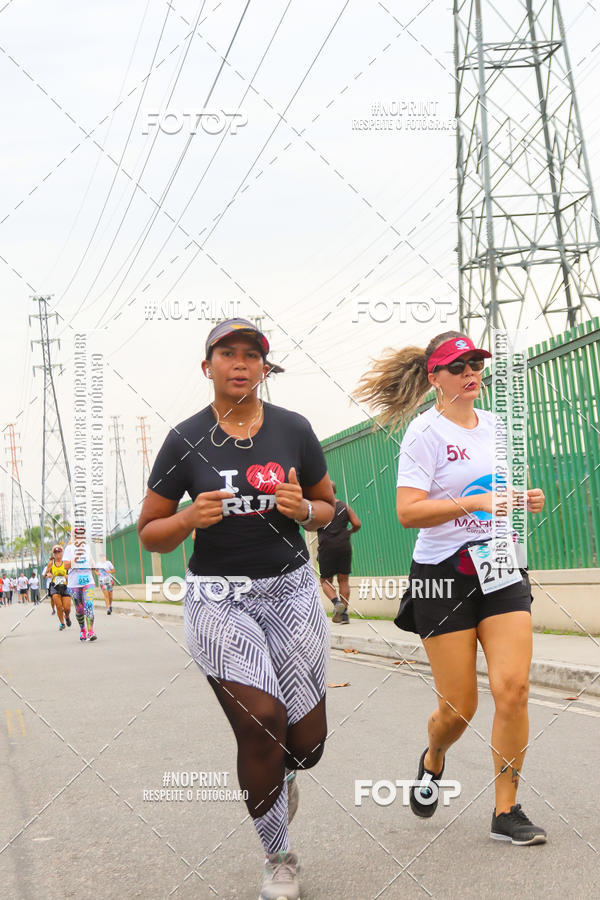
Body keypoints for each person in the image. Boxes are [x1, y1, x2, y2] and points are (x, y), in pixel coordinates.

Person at [138, 318, 335, 900]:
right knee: (262, 723)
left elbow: (329, 508)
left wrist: (304, 512)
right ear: (209, 367)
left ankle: (281, 775)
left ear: (264, 369)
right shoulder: (185, 439)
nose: (240, 363)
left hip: (292, 591)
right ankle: (279, 857)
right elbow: (150, 532)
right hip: (218, 598)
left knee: (307, 745)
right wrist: (185, 520)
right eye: (228, 353)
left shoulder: (294, 429)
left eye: (252, 355)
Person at [355, 330, 547, 846]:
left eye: (477, 365)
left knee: (513, 688)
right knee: (459, 707)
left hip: (500, 567)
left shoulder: (498, 427)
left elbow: (493, 492)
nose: (471, 374)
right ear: (434, 377)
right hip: (443, 575)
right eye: (459, 367)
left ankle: (506, 810)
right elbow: (407, 512)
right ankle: (434, 756)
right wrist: (476, 505)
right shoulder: (424, 433)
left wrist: (519, 499)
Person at [316, 481, 361, 624]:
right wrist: (349, 532)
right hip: (344, 545)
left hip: (326, 547)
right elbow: (357, 524)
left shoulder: (321, 509)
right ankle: (345, 614)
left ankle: (336, 604)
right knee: (343, 580)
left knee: (325, 581)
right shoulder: (344, 507)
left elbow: (310, 526)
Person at [63, 531, 98, 641]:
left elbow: (91, 560)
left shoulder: (87, 547)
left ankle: (90, 632)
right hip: (74, 584)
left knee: (89, 605)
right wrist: (76, 557)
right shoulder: (69, 549)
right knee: (79, 610)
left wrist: (96, 569)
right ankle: (82, 629)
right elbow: (66, 566)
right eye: (77, 535)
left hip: (88, 581)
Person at [43, 546, 72, 631]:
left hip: (65, 586)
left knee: (67, 608)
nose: (57, 554)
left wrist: (67, 576)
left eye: (59, 552)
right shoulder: (51, 563)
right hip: (55, 587)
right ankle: (62, 623)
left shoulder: (66, 563)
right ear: (53, 554)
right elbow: (45, 574)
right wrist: (48, 575)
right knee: (59, 606)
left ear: (62, 553)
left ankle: (66, 616)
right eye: (55, 553)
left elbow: (73, 573)